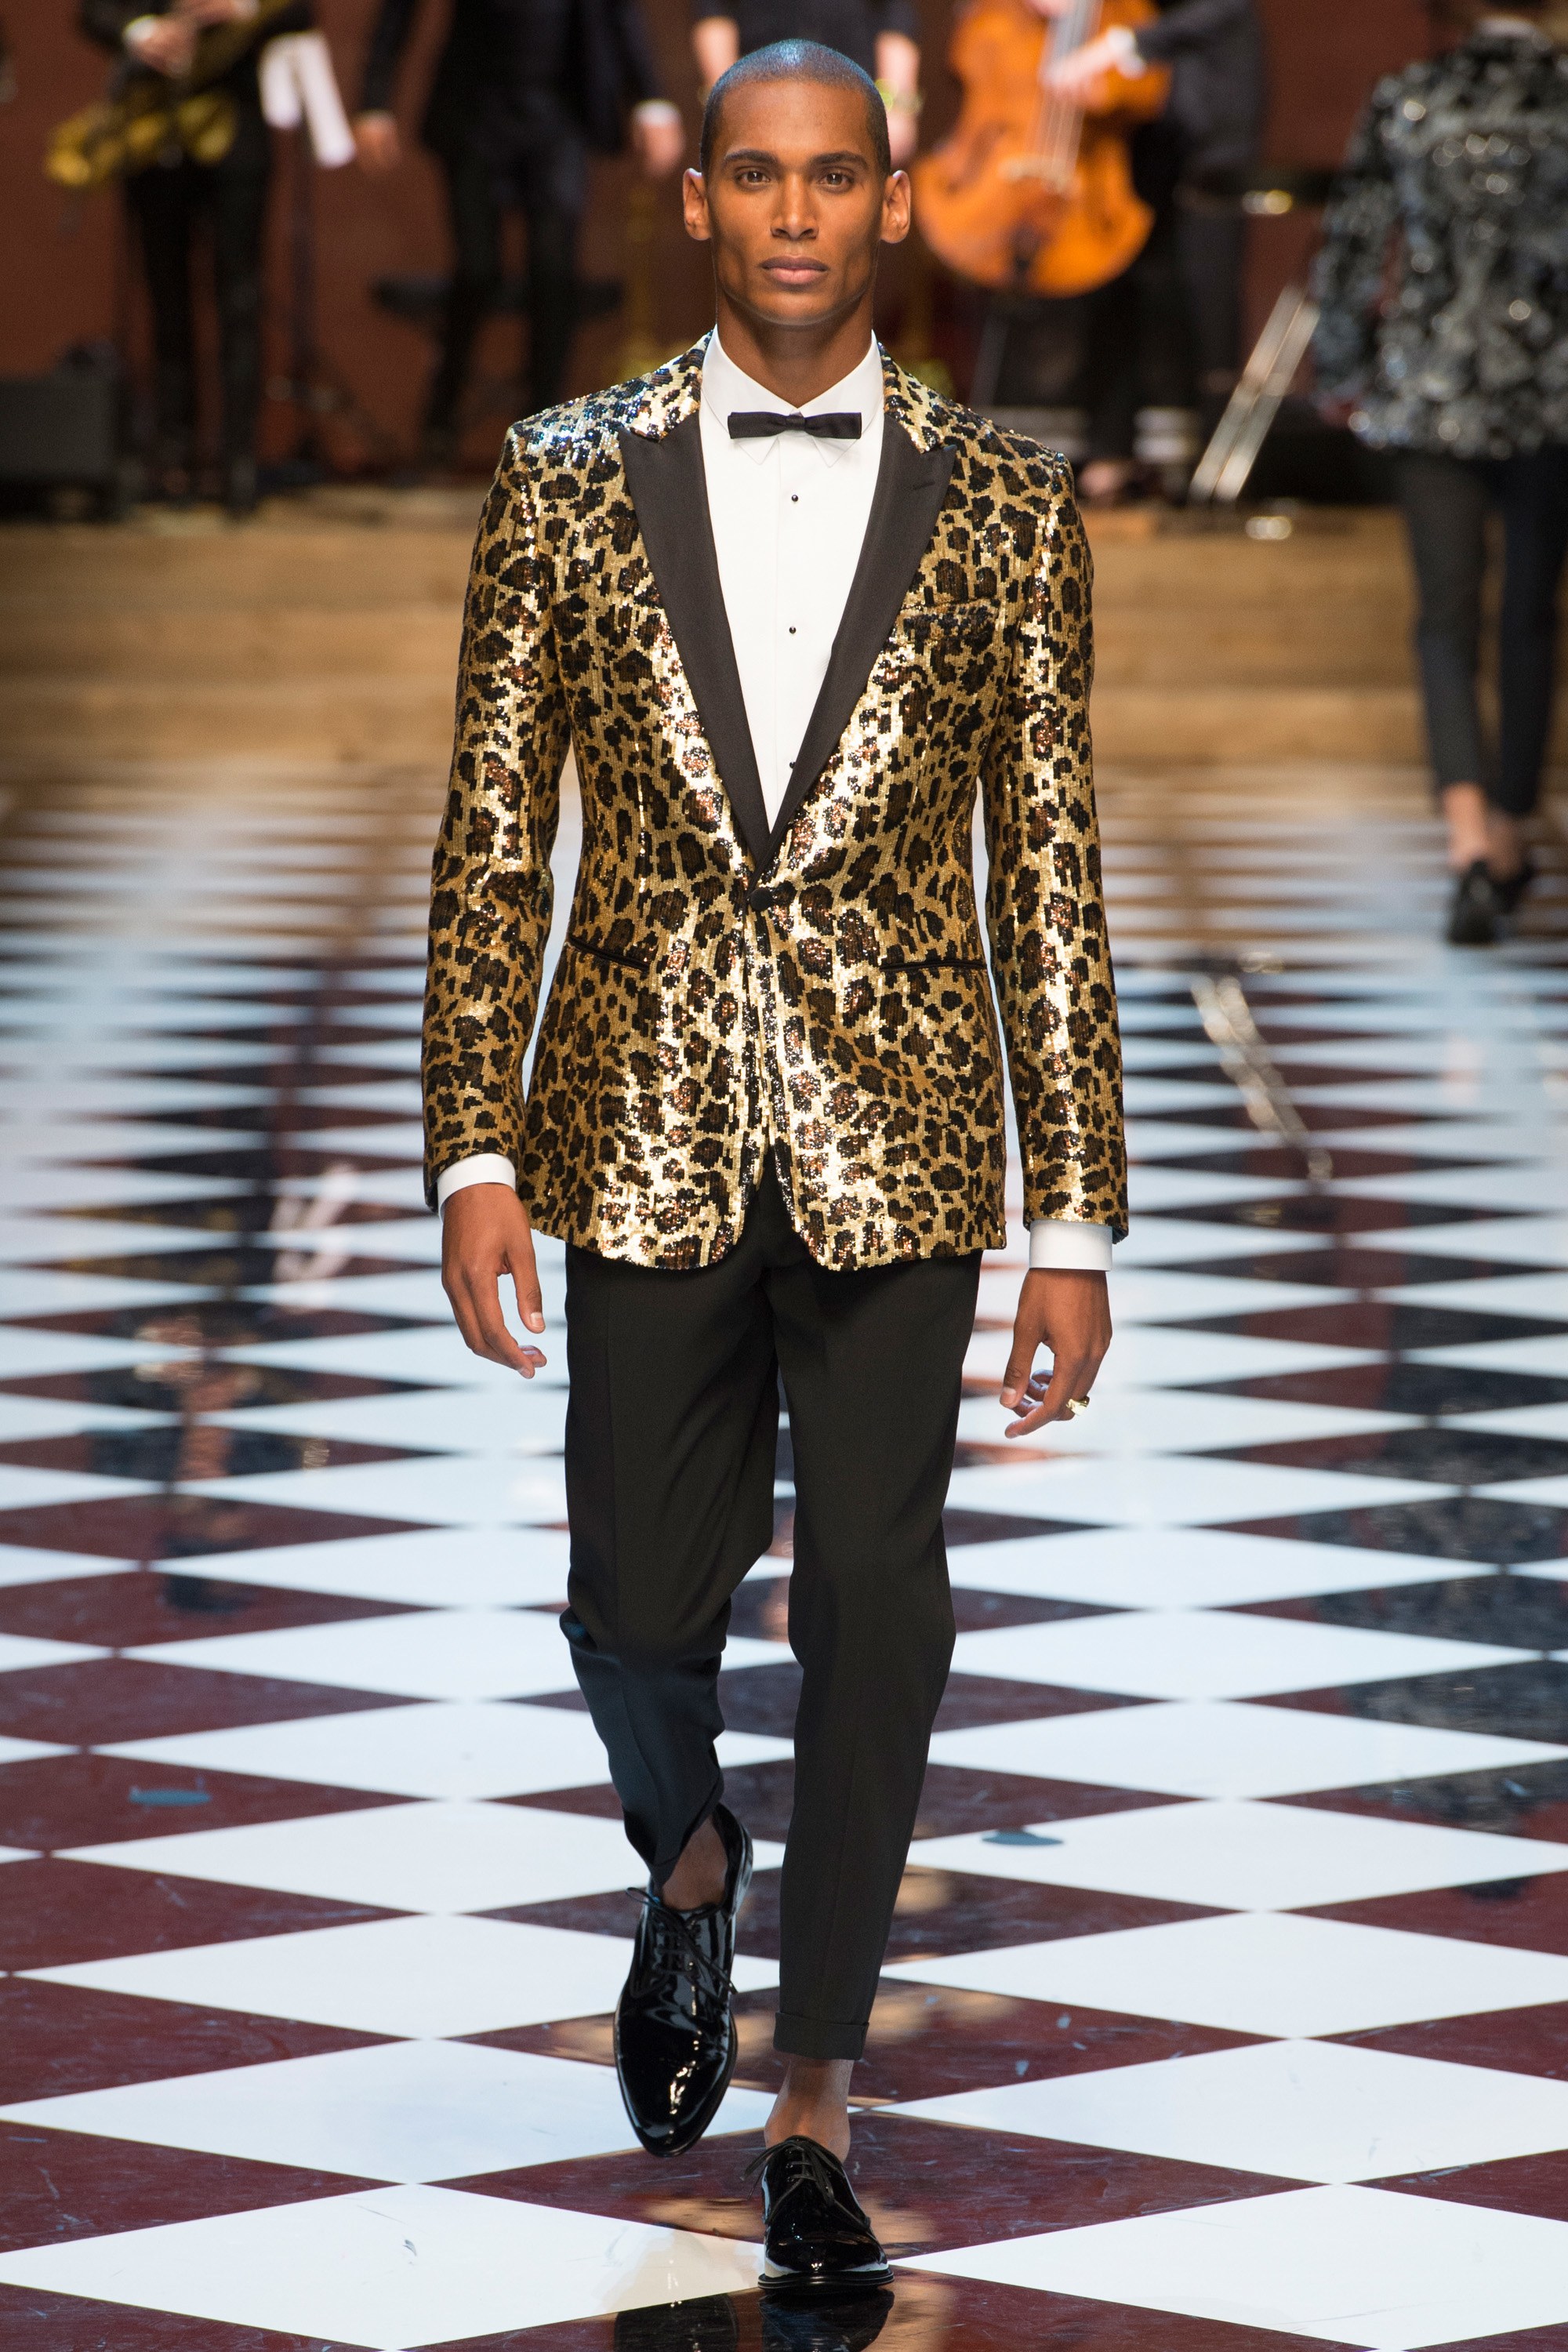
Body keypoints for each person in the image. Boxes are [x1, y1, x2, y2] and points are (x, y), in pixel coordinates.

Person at [424, 38, 1124, 2284]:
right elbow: (490, 837)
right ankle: (692, 1862)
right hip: (633, 1117)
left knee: (881, 1608)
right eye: (758, 175)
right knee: (634, 1601)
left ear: (891, 202)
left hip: (905, 1134)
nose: (797, 213)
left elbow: (1051, 876)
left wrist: (1073, 1216)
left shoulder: (1007, 502)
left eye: (835, 176)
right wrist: (468, 1146)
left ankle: (812, 2091)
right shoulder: (559, 474)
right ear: (700, 202)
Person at [1314, 2, 1568, 946]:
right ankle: (1506, 830)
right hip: (1551, 387)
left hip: (1428, 382)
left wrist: (1339, 372)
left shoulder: (1410, 94)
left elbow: (1350, 243)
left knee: (1443, 617)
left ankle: (1465, 840)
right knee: (1530, 613)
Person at [354, 0, 686, 461]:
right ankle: (441, 416)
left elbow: (619, 12)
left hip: (559, 113)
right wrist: (374, 100)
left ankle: (543, 435)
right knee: (477, 269)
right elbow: (399, 11)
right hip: (474, 110)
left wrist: (650, 99)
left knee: (554, 272)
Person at [980, 0, 1263, 502]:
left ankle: (1216, 464)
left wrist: (1122, 44)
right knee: (1115, 281)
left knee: (1206, 290)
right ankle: (1110, 449)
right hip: (1125, 126)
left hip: (1206, 114)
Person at [80, 0, 309, 514]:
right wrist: (140, 30)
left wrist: (241, 6)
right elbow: (94, 9)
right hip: (154, 128)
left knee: (240, 300)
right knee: (167, 300)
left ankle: (239, 461)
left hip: (236, 131)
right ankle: (174, 456)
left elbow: (301, 11)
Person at [690, 0, 921, 164]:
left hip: (855, 93)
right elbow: (714, 11)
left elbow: (895, 12)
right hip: (759, 96)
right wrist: (727, 106)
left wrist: (896, 106)